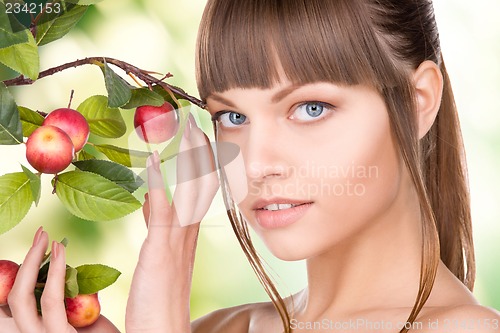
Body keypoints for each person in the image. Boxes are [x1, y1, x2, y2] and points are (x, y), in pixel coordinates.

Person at [1, 0, 499, 332]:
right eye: (232, 117)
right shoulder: (218, 327)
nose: (256, 163)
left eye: (310, 108)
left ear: (417, 102)